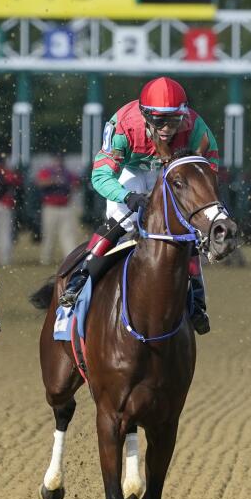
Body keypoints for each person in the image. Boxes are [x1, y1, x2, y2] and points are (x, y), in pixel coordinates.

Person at [58, 76, 220, 335]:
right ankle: (82, 278)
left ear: (184, 115)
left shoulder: (197, 127)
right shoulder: (123, 125)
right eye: (159, 120)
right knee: (123, 221)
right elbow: (100, 176)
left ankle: (197, 299)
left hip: (170, 172)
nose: (167, 128)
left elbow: (208, 171)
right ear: (144, 115)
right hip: (130, 171)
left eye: (174, 120)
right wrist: (126, 196)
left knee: (187, 230)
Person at [36, 154, 80, 266]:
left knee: (68, 235)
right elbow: (40, 182)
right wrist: (53, 180)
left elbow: (76, 184)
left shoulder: (67, 173)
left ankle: (71, 259)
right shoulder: (48, 171)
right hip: (50, 207)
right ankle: (46, 259)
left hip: (65, 207)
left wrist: (67, 183)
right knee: (48, 235)